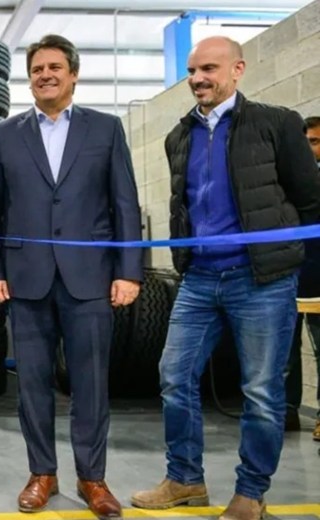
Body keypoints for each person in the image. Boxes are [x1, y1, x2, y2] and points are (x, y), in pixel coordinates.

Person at [130, 36, 320, 520]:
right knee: (174, 377)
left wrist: (288, 258)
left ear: (237, 70)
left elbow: (310, 199)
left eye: (209, 69)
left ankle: (250, 492)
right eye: (193, 71)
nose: (198, 79)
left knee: (261, 391)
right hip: (199, 281)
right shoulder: (178, 136)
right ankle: (185, 478)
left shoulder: (276, 124)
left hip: (261, 280)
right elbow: (183, 206)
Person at [0, 33, 142, 520]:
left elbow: (125, 204)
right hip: (25, 280)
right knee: (31, 383)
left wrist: (129, 271)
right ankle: (41, 474)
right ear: (28, 78)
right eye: (36, 69)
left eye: (54, 67)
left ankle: (93, 478)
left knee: (91, 384)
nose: (45, 75)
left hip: (90, 280)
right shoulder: (3, 134)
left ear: (73, 74)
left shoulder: (106, 129)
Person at [299, 116, 320, 446]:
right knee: (282, 355)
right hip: (289, 276)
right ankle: (285, 412)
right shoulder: (294, 180)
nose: (310, 147)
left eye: (315, 141)